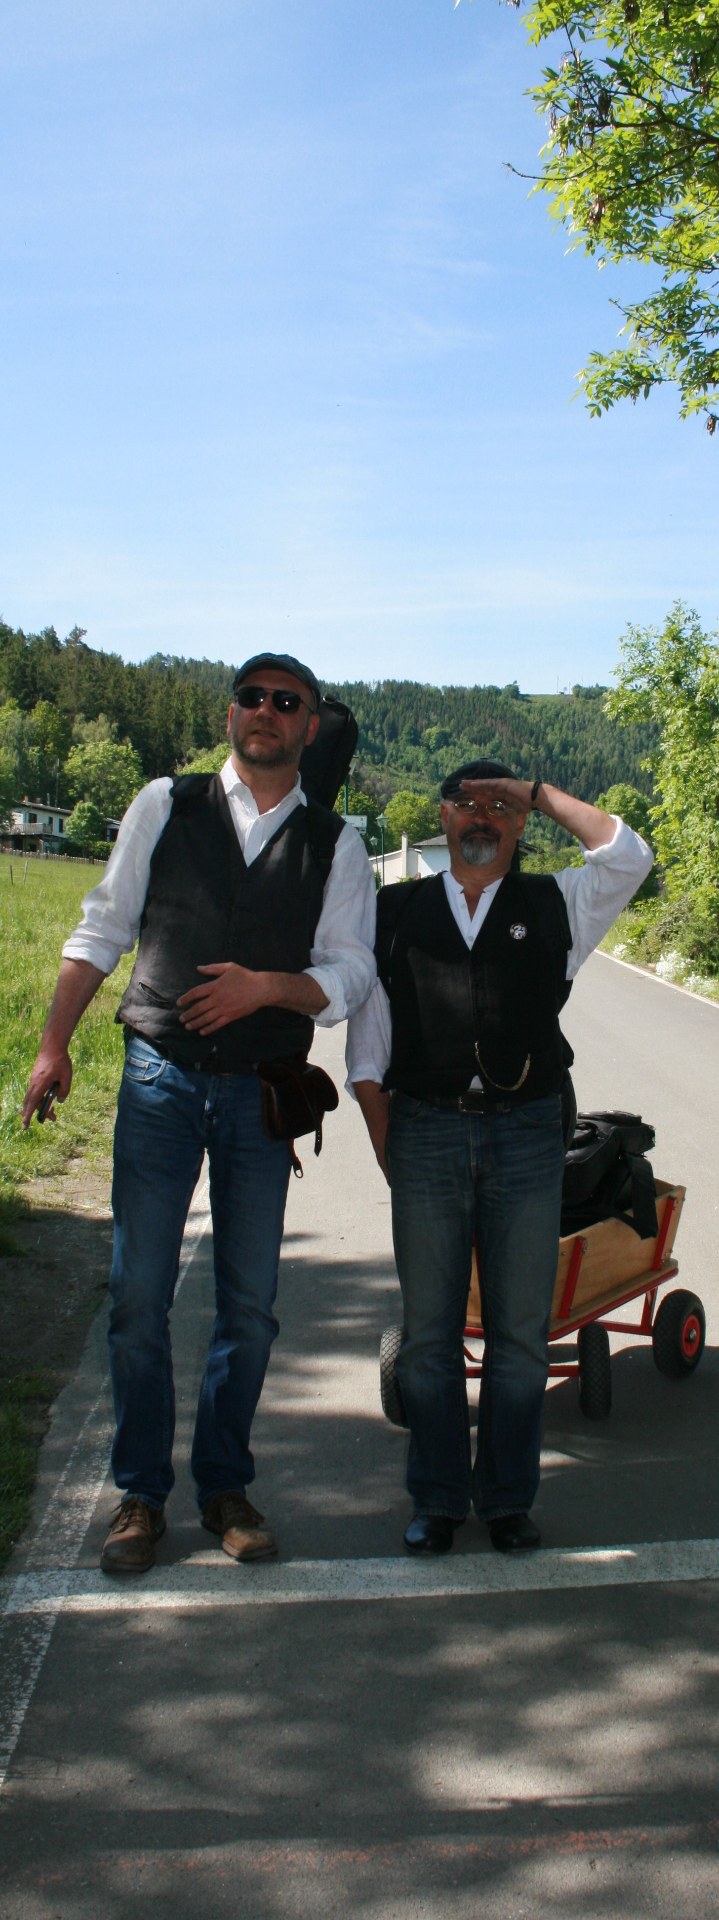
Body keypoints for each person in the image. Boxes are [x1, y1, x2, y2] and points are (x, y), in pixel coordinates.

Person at [23, 653, 376, 1574]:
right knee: (138, 1297)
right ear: (231, 714)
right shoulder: (164, 804)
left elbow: (349, 973)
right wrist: (54, 1046)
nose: (266, 711)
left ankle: (224, 1487)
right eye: (252, 696)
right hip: (160, 1082)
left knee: (249, 1309)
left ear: (308, 726)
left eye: (286, 702)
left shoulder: (336, 843)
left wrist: (268, 987)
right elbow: (104, 926)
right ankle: (140, 1495)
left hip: (259, 1091)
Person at [347, 759, 653, 1557]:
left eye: (499, 805)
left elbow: (627, 856)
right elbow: (368, 1055)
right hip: (425, 1131)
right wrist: (391, 1149)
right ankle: (438, 1500)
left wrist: (539, 794)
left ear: (519, 822)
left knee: (519, 1335)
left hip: (525, 1135)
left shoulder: (555, 905)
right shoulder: (393, 912)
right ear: (442, 818)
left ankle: (508, 1500)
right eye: (466, 803)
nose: (481, 816)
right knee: (428, 1336)